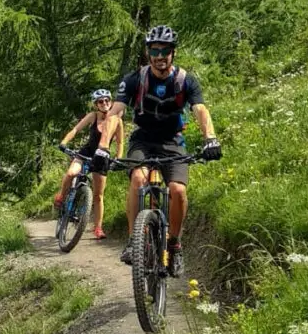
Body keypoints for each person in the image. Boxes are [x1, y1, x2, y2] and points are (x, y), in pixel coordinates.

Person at [110, 25, 221, 277]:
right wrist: (103, 148)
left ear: (173, 52)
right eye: (154, 50)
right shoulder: (135, 79)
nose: (160, 56)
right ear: (148, 53)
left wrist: (210, 139)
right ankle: (133, 242)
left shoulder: (185, 80)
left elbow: (200, 110)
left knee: (178, 190)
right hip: (142, 141)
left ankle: (174, 244)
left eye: (165, 51)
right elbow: (115, 113)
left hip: (173, 141)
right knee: (138, 179)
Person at [55, 89, 124, 240]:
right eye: (101, 101)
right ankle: (61, 196)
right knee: (71, 173)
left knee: (99, 195)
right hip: (85, 152)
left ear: (111, 102)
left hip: (102, 158)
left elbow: (119, 143)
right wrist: (64, 142)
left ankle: (98, 228)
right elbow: (76, 129)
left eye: (107, 100)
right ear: (96, 104)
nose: (104, 103)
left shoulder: (117, 121)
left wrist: (118, 159)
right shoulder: (92, 116)